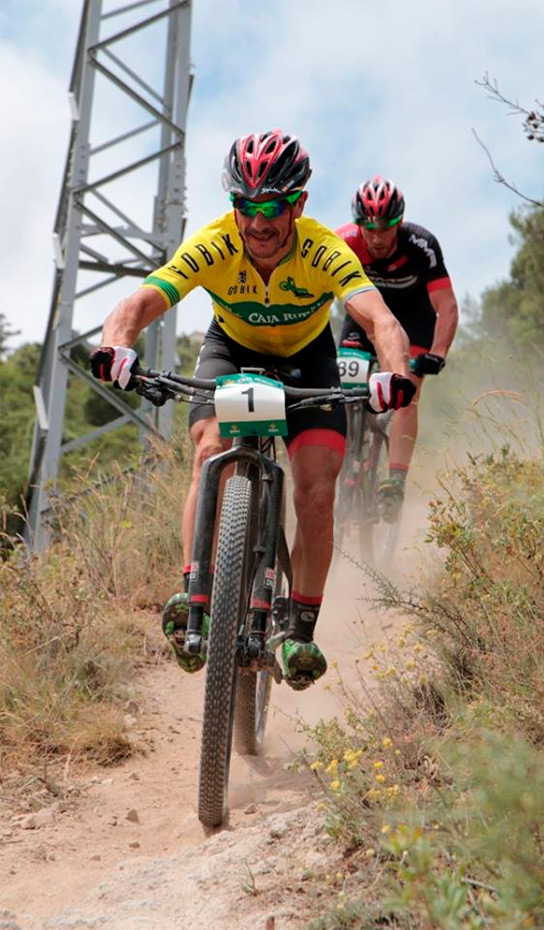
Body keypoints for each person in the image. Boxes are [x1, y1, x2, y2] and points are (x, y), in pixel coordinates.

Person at [90, 131, 415, 690]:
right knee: (210, 447)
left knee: (316, 489)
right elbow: (141, 299)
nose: (258, 223)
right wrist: (115, 344)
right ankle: (197, 596)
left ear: (299, 205)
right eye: (246, 206)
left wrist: (395, 375)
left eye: (273, 208)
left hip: (309, 360)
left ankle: (300, 627)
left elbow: (381, 321)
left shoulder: (321, 249)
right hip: (230, 350)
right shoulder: (216, 243)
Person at [337, 175, 458, 519]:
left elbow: (446, 306)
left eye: (385, 228)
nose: (376, 237)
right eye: (368, 228)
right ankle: (345, 459)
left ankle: (394, 481)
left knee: (406, 394)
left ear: (399, 223)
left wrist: (437, 355)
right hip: (363, 319)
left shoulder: (422, 245)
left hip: (413, 320)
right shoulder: (342, 241)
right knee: (344, 390)